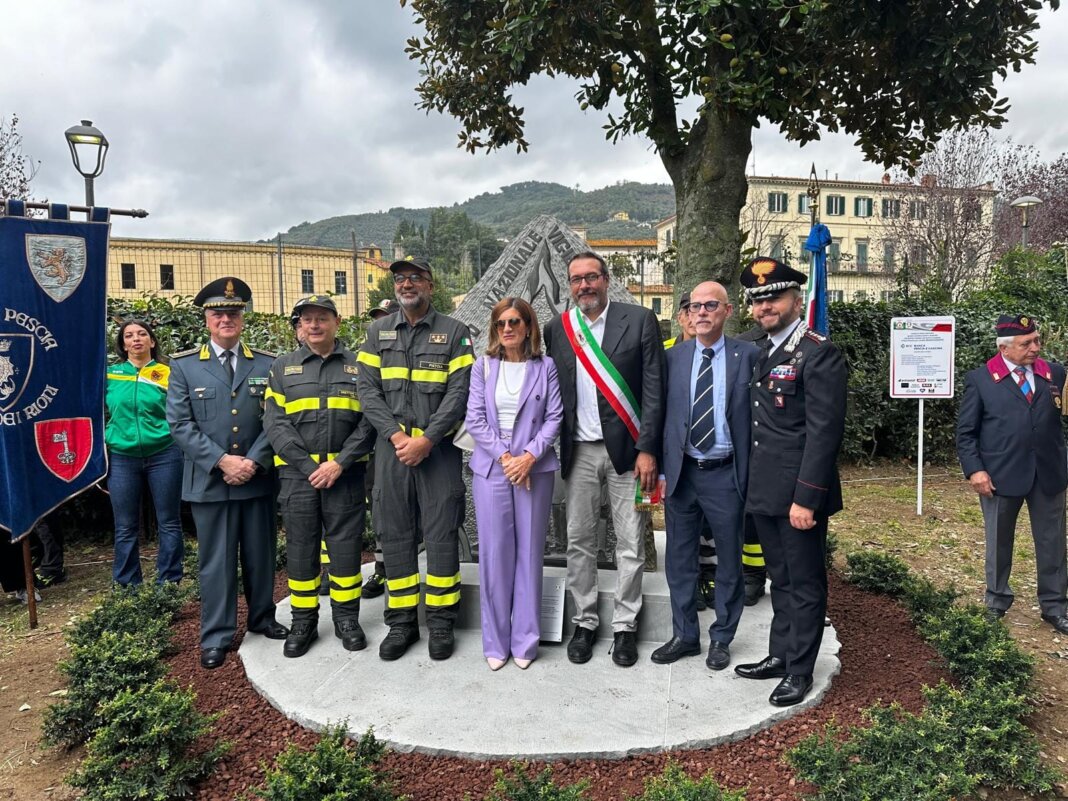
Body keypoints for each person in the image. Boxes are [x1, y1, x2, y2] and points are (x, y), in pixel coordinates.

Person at [543, 251, 665, 667]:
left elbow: (654, 389)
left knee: (630, 542)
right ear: (570, 285)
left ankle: (626, 626)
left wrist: (648, 449)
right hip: (577, 451)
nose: (584, 286)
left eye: (591, 277)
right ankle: (586, 620)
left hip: (629, 453)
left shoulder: (639, 320)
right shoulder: (557, 329)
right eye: (576, 280)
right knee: (579, 540)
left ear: (606, 279)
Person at [733, 257, 847, 707]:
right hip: (763, 488)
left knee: (804, 583)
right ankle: (780, 655)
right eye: (758, 300)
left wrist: (807, 500)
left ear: (796, 299)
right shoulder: (754, 348)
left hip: (799, 494)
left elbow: (823, 435)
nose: (766, 307)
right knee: (779, 580)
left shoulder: (819, 352)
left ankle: (800, 670)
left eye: (774, 297)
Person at [167, 277, 288, 670]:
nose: (226, 319)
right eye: (218, 313)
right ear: (206, 319)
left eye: (233, 313)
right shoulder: (185, 366)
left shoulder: (268, 364)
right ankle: (216, 635)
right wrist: (223, 461)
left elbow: (276, 419)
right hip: (209, 481)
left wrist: (252, 461)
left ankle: (262, 618)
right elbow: (180, 424)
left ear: (243, 318)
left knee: (260, 554)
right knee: (215, 562)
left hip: (256, 477)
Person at [357, 257, 475, 661]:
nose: (407, 284)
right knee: (394, 536)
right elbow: (368, 394)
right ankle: (402, 623)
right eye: (401, 279)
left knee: (442, 535)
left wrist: (426, 439)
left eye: (415, 278)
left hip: (437, 453)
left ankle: (441, 623)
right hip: (392, 454)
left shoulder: (456, 333)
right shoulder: (375, 333)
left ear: (430, 283)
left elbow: (460, 394)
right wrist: (394, 435)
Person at [652, 281, 758, 670]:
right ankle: (685, 635)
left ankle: (722, 638)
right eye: (694, 306)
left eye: (710, 305)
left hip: (725, 474)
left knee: (729, 559)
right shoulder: (672, 358)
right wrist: (659, 468)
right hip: (682, 475)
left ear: (728, 311)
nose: (701, 312)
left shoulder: (749, 356)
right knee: (679, 560)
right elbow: (660, 417)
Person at [265, 296, 376, 657]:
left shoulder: (359, 367)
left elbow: (369, 421)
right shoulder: (282, 369)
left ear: (337, 322)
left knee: (345, 547)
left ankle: (347, 619)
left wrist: (340, 462)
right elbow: (275, 424)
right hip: (300, 477)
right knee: (300, 548)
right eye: (307, 319)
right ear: (299, 327)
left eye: (322, 318)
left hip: (345, 473)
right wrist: (311, 467)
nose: (314, 325)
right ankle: (304, 620)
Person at [465, 297, 563, 670]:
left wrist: (529, 456)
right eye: (501, 323)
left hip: (533, 472)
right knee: (494, 557)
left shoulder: (546, 367)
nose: (508, 329)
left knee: (529, 556)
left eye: (515, 322)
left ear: (528, 327)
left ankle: (525, 641)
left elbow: (555, 417)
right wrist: (506, 458)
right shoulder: (483, 368)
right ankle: (495, 641)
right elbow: (474, 419)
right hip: (493, 470)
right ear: (495, 329)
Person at [956, 314, 1068, 634]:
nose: (1036, 347)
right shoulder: (981, 379)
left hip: (1048, 473)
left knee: (1053, 541)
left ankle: (1055, 605)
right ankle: (996, 600)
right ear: (1004, 348)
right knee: (998, 541)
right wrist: (975, 470)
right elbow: (966, 433)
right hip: (1000, 475)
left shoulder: (1055, 373)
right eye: (1026, 343)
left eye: (1036, 340)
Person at [105, 320, 185, 586]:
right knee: (125, 526)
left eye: (142, 334)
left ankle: (169, 584)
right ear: (123, 344)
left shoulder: (169, 373)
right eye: (129, 335)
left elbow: (181, 414)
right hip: (122, 457)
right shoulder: (110, 374)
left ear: (152, 341)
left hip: (165, 454)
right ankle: (128, 587)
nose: (135, 339)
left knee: (169, 522)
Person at [664, 293, 717, 612]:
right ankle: (690, 582)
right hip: (677, 455)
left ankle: (710, 575)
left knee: (711, 524)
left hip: (711, 456)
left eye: (702, 308)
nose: (694, 316)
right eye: (688, 310)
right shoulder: (666, 353)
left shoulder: (726, 351)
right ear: (681, 318)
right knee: (681, 528)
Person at [359, 298, 401, 600]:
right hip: (377, 445)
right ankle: (382, 568)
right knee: (381, 512)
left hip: (406, 441)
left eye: (387, 316)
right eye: (377, 317)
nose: (380, 322)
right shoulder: (368, 351)